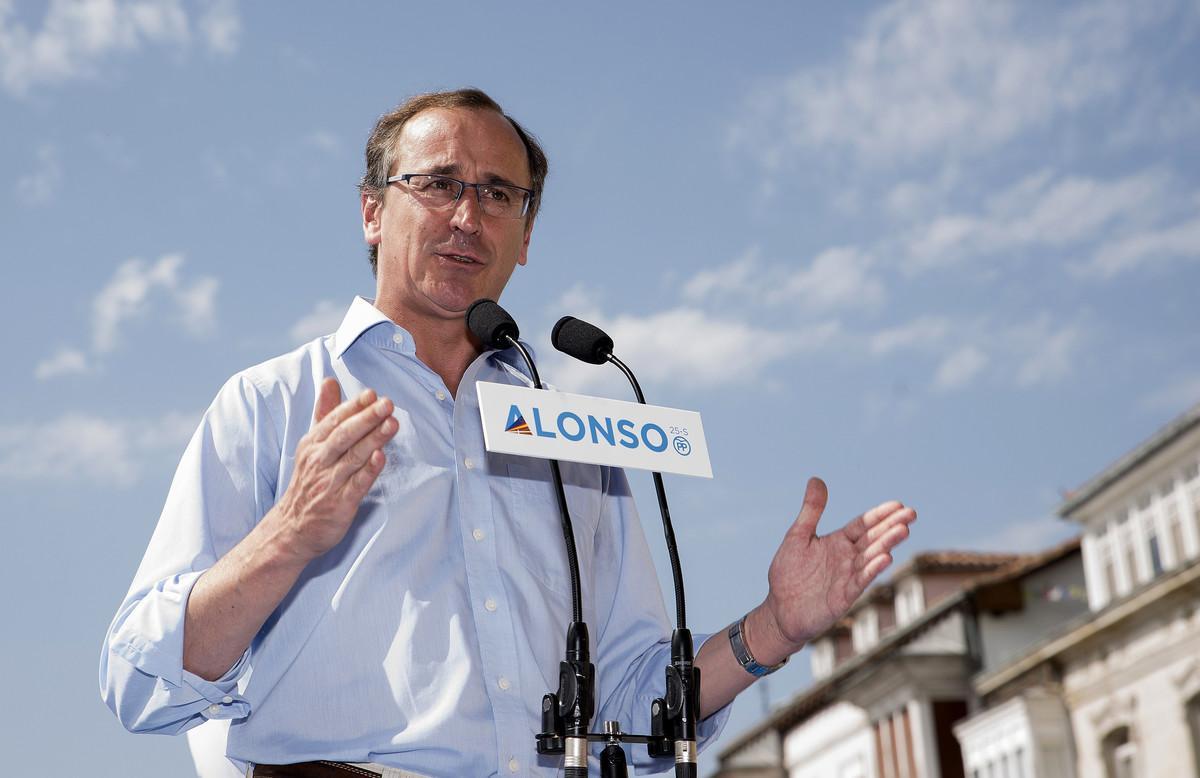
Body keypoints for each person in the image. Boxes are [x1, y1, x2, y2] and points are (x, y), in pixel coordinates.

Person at [100, 88, 916, 777]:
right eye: (439, 183)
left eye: (498, 194)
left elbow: (632, 704)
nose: (467, 215)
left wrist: (775, 625)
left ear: (525, 237)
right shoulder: (269, 403)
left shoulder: (573, 439)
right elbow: (138, 676)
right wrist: (288, 535)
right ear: (372, 212)